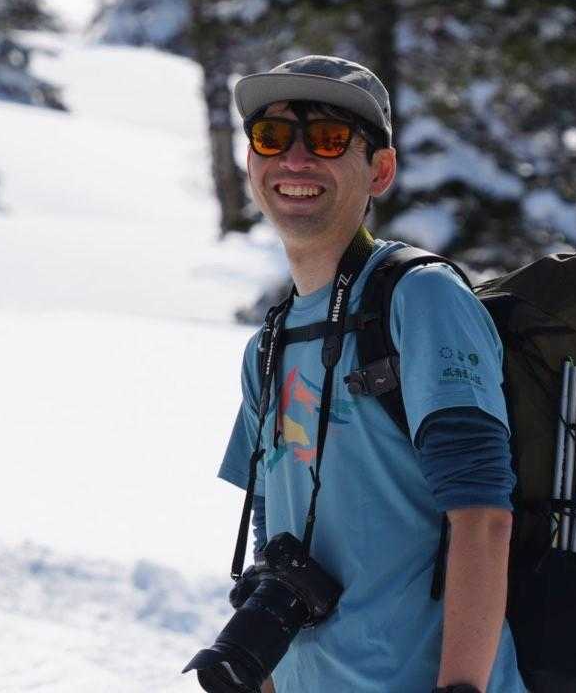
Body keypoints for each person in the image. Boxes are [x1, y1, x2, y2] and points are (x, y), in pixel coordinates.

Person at [219, 55, 524, 693]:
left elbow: (482, 514)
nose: (294, 159)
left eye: (328, 139)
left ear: (379, 170)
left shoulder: (421, 298)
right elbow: (272, 538)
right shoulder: (266, 346)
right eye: (271, 137)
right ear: (251, 163)